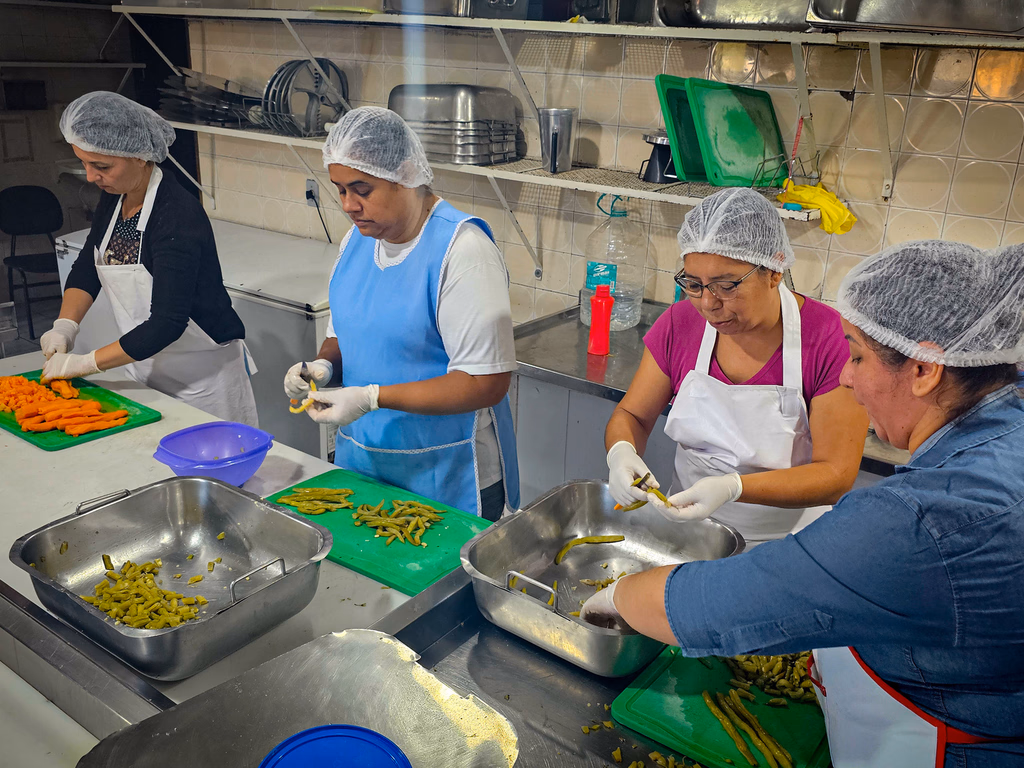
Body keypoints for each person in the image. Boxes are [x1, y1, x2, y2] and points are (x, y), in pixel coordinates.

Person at [582, 240, 1024, 767]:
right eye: (695, 284)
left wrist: (614, 597)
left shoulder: (922, 521)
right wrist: (622, 451)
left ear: (926, 370)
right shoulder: (1006, 432)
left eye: (856, 356)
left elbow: (719, 604)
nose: (846, 377)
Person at [284, 107, 519, 521]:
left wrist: (373, 398)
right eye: (340, 189)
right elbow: (347, 331)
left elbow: (485, 382)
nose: (349, 205)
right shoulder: (357, 241)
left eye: (362, 189)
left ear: (406, 174)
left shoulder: (462, 251)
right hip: (363, 465)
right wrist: (323, 366)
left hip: (444, 474)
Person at [604, 188, 868, 543]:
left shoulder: (828, 338)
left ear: (774, 270)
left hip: (787, 543)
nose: (708, 304)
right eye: (694, 284)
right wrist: (621, 452)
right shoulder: (680, 324)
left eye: (726, 286)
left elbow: (836, 474)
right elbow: (633, 416)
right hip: (688, 533)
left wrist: (734, 488)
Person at [39, 91, 257, 425]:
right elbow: (89, 263)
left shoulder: (176, 215)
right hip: (143, 364)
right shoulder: (115, 197)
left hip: (201, 379)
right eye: (84, 163)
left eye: (101, 166)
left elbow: (168, 322)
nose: (92, 177)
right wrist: (65, 326)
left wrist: (85, 363)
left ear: (140, 156)